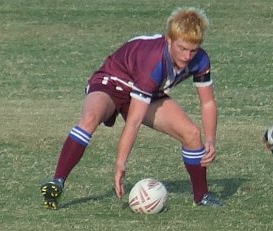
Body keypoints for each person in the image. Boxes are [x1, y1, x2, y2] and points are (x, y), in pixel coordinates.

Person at [41, 7, 222, 210]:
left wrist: (211, 140)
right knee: (90, 118)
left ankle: (201, 196)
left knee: (192, 133)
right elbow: (134, 120)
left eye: (193, 50)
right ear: (169, 40)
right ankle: (57, 182)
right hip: (113, 82)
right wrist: (120, 164)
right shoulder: (153, 62)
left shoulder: (200, 60)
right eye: (182, 48)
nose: (188, 56)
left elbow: (208, 102)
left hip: (147, 92)